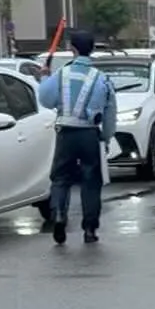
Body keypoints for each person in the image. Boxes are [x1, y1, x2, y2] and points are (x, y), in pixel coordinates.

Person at [39, 29, 116, 246]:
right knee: (91, 181)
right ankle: (90, 228)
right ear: (91, 50)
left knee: (61, 178)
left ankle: (60, 215)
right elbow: (110, 113)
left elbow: (45, 99)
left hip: (65, 133)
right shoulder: (102, 79)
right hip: (90, 134)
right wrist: (106, 138)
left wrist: (44, 76)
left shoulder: (62, 74)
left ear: (72, 49)